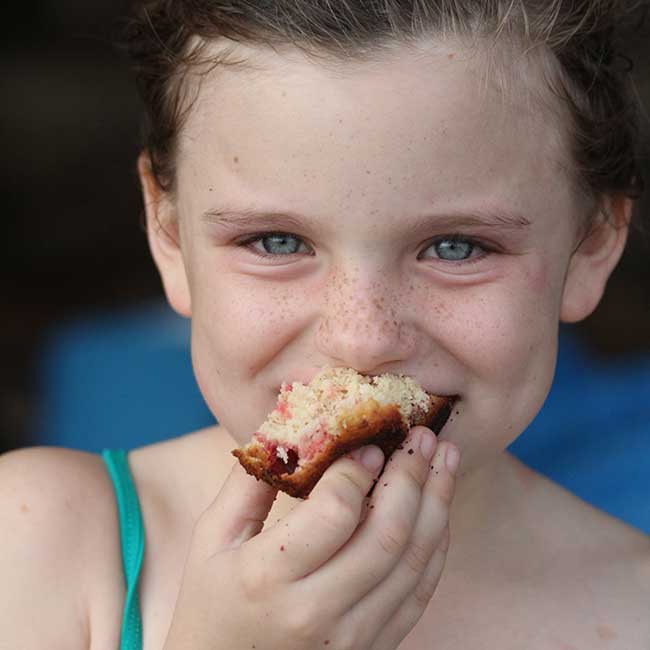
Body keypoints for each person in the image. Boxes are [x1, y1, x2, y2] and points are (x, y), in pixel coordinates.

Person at [2, 1, 649, 648]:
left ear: (592, 243)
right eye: (277, 243)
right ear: (168, 232)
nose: (360, 340)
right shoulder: (37, 543)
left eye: (457, 247)